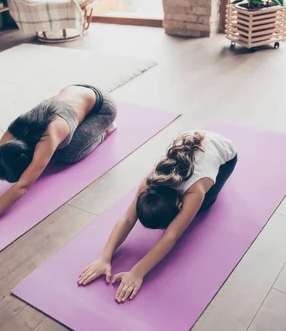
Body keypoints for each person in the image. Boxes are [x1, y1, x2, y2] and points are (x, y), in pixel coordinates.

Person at [0, 84, 117, 245]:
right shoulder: (17, 126)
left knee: (67, 153)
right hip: (74, 93)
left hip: (101, 108)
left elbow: (22, 186)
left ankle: (105, 131)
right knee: (54, 152)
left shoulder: (49, 135)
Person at [77, 130, 237, 303]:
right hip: (190, 143)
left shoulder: (195, 190)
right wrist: (104, 258)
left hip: (225, 155)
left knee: (202, 207)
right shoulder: (149, 183)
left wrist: (138, 272)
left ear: (179, 204)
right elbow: (128, 219)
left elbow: (171, 235)